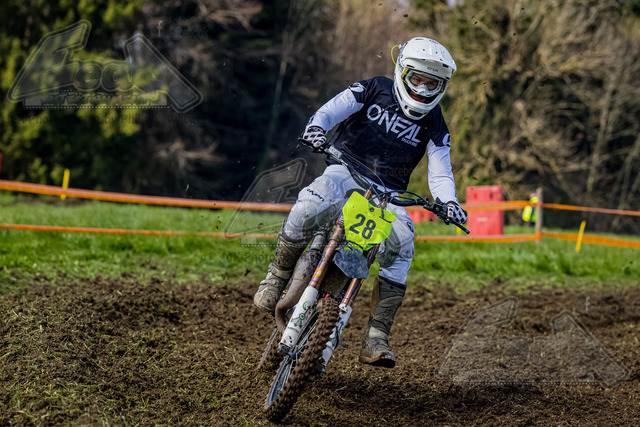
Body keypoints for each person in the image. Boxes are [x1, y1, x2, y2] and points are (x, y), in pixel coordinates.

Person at [253, 37, 467, 368]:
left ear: (442, 86)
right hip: (344, 170)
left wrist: (449, 203)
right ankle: (277, 276)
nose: (423, 90)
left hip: (389, 193)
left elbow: (440, 172)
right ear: (402, 72)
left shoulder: (435, 121)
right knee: (308, 207)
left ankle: (377, 335)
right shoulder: (373, 89)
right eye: (417, 79)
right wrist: (316, 129)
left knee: (403, 243)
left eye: (432, 84)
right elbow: (330, 111)